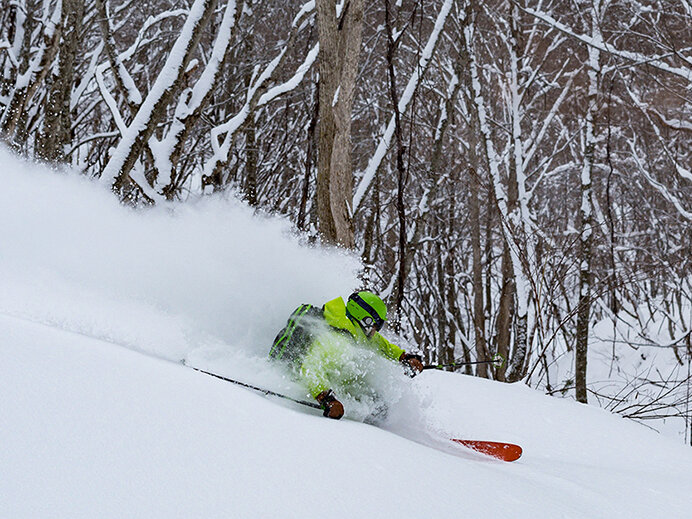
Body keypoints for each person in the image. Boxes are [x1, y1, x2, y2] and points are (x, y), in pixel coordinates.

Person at [269, 291, 424, 420]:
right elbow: (311, 367)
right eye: (376, 326)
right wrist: (326, 399)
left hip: (330, 382)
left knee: (378, 404)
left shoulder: (352, 329)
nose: (376, 331)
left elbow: (381, 344)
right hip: (304, 383)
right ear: (366, 319)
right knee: (377, 407)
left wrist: (403, 357)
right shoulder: (337, 340)